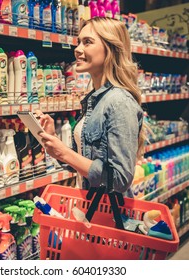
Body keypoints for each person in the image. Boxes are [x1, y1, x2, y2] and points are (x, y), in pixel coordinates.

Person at [36, 17, 144, 197]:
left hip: (108, 216)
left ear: (110, 48)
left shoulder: (119, 102)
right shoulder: (95, 99)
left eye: (87, 42)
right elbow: (85, 162)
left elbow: (120, 179)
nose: (77, 49)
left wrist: (64, 153)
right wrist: (55, 142)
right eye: (79, 42)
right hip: (90, 208)